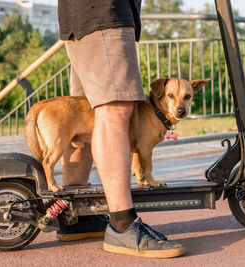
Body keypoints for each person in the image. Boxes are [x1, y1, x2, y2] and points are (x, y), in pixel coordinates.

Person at [56, 0, 185, 258]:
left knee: (89, 115)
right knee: (115, 110)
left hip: (83, 16)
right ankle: (123, 225)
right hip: (105, 11)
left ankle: (76, 218)